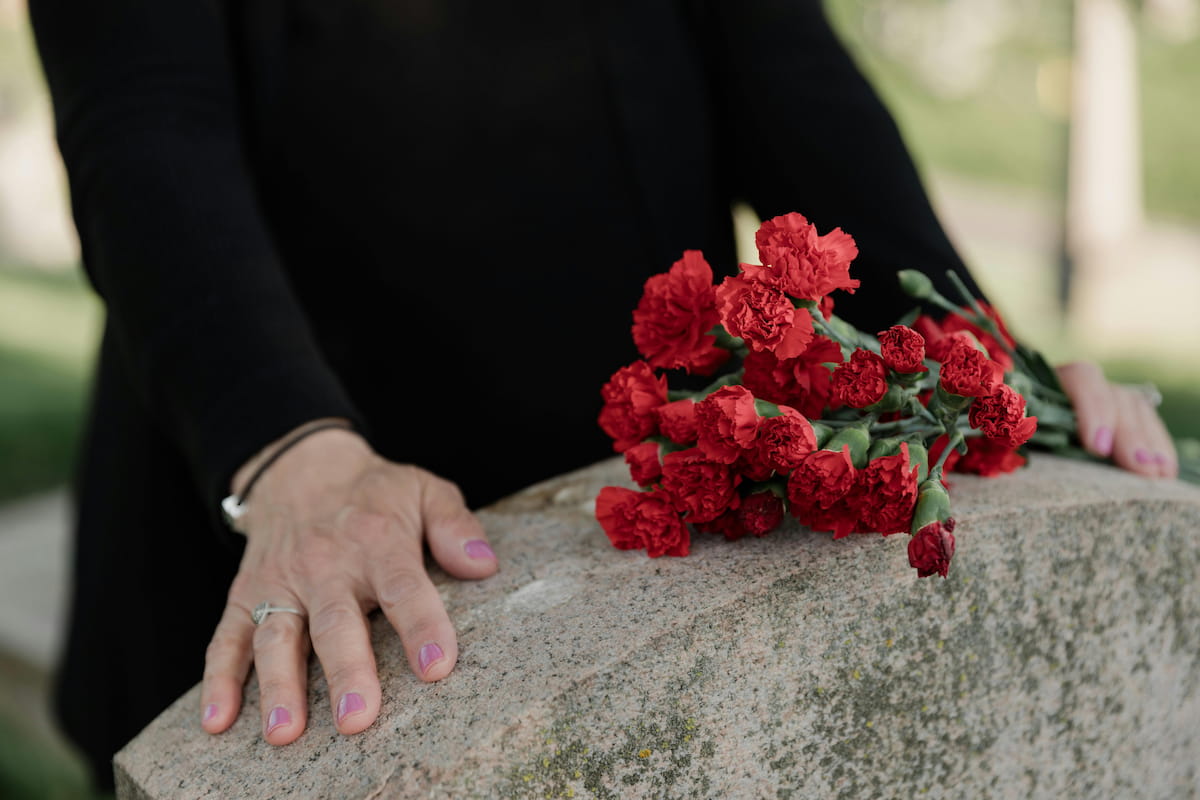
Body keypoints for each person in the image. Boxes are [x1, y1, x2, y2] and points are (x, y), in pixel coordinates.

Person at [29, 0, 1177, 789]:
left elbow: (793, 79)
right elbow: (145, 121)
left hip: (625, 508)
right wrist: (288, 450)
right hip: (278, 496)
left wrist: (969, 354)